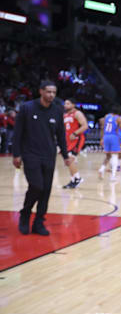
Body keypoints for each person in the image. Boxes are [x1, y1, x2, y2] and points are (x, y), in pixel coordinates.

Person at [12, 81, 71, 235]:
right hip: (30, 154)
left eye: (54, 92)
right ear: (41, 92)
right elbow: (17, 133)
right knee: (37, 186)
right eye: (48, 92)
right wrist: (16, 154)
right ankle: (25, 213)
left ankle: (39, 223)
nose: (51, 95)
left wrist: (65, 155)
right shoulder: (27, 108)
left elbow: (61, 136)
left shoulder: (57, 111)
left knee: (46, 191)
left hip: (49, 155)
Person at [98, 107, 121, 181]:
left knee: (108, 156)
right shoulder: (119, 119)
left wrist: (101, 138)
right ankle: (113, 176)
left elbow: (102, 127)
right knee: (115, 156)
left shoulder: (106, 116)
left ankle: (101, 169)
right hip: (113, 137)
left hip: (106, 136)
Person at [61, 98, 89, 189]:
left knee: (70, 159)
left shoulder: (77, 113)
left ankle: (77, 179)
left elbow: (85, 126)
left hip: (77, 139)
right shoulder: (65, 115)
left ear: (73, 105)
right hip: (68, 140)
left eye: (68, 103)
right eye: (65, 103)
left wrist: (75, 133)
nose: (65, 105)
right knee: (68, 161)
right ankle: (73, 180)